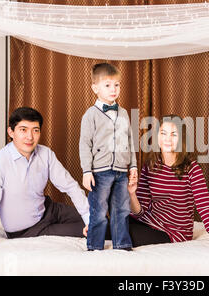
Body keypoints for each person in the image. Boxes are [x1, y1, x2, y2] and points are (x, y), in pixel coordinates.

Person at [0, 107, 90, 245]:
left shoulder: (45, 154)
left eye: (35, 130)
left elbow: (70, 186)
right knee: (103, 230)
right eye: (23, 130)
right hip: (28, 230)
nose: (30, 137)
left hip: (49, 209)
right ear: (11, 132)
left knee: (100, 221)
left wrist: (90, 220)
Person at [127, 115, 209, 247]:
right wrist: (132, 194)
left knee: (122, 232)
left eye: (173, 134)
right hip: (149, 221)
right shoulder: (150, 165)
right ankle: (91, 230)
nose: (167, 139)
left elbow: (204, 206)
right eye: (163, 133)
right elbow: (140, 212)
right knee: (114, 223)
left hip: (174, 231)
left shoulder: (191, 168)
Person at [79, 63, 137, 251]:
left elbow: (129, 141)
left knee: (121, 208)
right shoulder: (90, 115)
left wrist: (133, 166)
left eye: (117, 85)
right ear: (95, 88)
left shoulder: (124, 113)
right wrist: (87, 171)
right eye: (107, 85)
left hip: (121, 171)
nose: (114, 89)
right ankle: (95, 245)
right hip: (100, 172)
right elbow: (85, 144)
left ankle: (122, 244)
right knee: (99, 210)